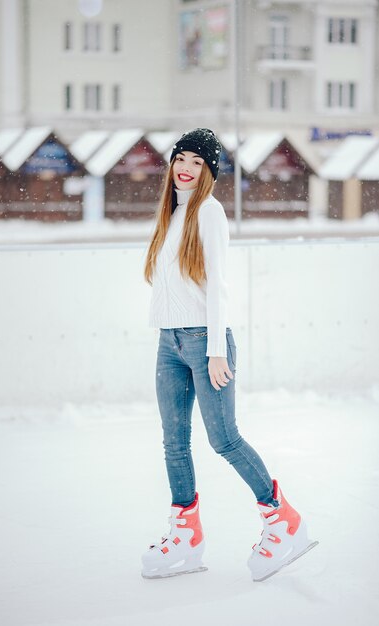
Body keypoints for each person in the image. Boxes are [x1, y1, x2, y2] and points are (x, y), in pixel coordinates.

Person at [141, 128, 318, 581]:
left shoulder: (210, 212)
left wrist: (216, 350)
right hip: (169, 343)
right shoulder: (171, 213)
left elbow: (216, 285)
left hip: (205, 342)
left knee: (225, 440)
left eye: (197, 162)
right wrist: (168, 334)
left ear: (209, 172)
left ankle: (282, 517)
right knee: (174, 443)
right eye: (181, 158)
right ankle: (187, 534)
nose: (185, 167)